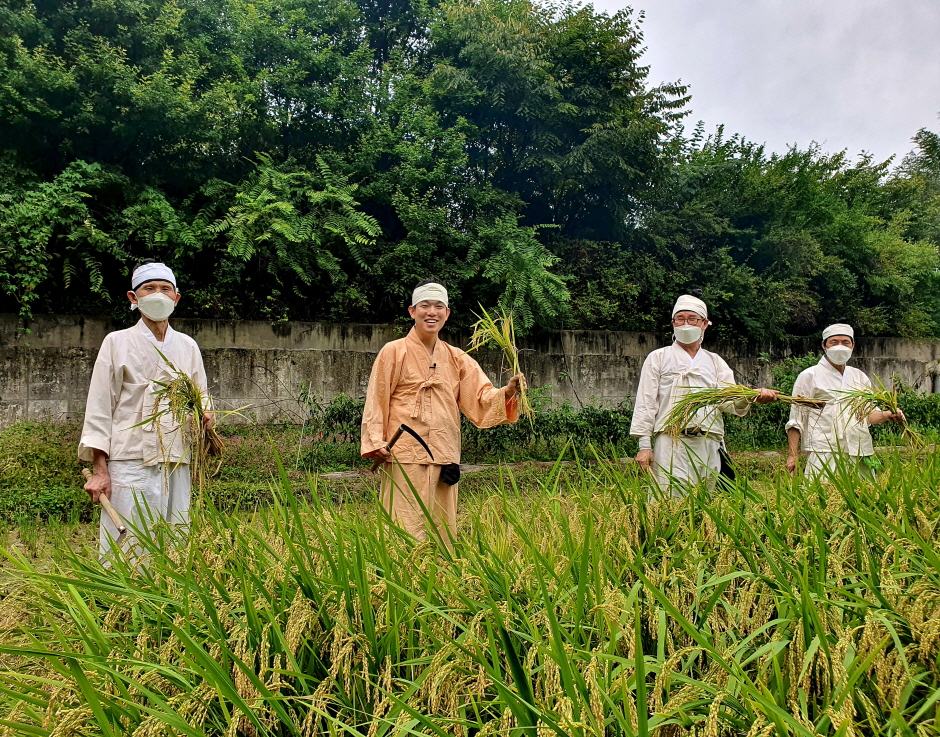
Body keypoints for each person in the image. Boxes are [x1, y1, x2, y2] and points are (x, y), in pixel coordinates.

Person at [361, 281, 524, 547]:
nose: (431, 312)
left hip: (444, 455)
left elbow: (481, 398)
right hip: (405, 454)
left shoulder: (457, 357)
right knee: (404, 526)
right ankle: (399, 580)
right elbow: (376, 400)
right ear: (412, 311)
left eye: (439, 307)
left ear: (447, 314)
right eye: (425, 306)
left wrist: (507, 392)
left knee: (442, 530)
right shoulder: (393, 351)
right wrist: (375, 441)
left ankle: (440, 581)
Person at [80, 260, 214, 557]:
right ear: (133, 297)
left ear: (176, 298)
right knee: (129, 542)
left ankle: (169, 599)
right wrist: (99, 470)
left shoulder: (188, 346)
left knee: (175, 536)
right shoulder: (116, 342)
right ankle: (121, 601)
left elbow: (201, 396)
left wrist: (205, 416)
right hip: (130, 459)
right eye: (149, 288)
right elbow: (100, 408)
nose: (158, 294)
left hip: (177, 458)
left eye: (165, 289)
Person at [630, 292, 778, 496]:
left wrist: (750, 396)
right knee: (669, 499)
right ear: (672, 323)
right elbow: (646, 403)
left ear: (705, 323)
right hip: (671, 442)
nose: (686, 324)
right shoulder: (658, 358)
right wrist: (644, 445)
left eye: (692, 319)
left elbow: (729, 401)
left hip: (709, 441)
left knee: (708, 499)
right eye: (680, 319)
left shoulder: (715, 362)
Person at [785, 322, 904, 481]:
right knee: (820, 499)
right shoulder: (809, 376)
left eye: (845, 342)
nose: (840, 346)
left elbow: (866, 416)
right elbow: (796, 420)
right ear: (824, 345)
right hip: (824, 451)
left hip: (858, 450)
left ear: (853, 345)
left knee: (865, 500)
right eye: (834, 342)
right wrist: (793, 456)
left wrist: (888, 415)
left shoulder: (859, 376)